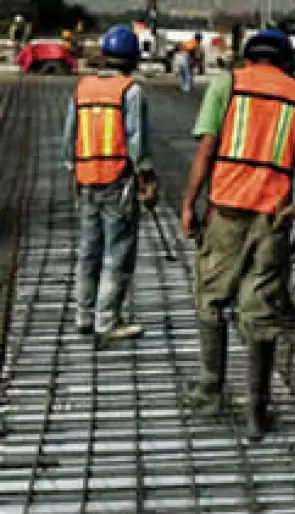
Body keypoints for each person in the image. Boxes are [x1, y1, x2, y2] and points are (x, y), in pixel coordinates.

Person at [180, 28, 295, 441]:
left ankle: (210, 391)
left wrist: (190, 203)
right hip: (273, 216)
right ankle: (256, 412)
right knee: (259, 310)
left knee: (211, 298)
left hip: (227, 210)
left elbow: (207, 148)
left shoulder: (228, 85)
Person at [62, 24, 157, 345]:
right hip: (118, 181)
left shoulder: (83, 88)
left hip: (86, 179)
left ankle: (84, 315)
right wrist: (147, 180)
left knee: (88, 250)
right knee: (117, 253)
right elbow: (137, 143)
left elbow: (69, 138)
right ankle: (107, 320)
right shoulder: (130, 91)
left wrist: (73, 171)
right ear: (133, 59)